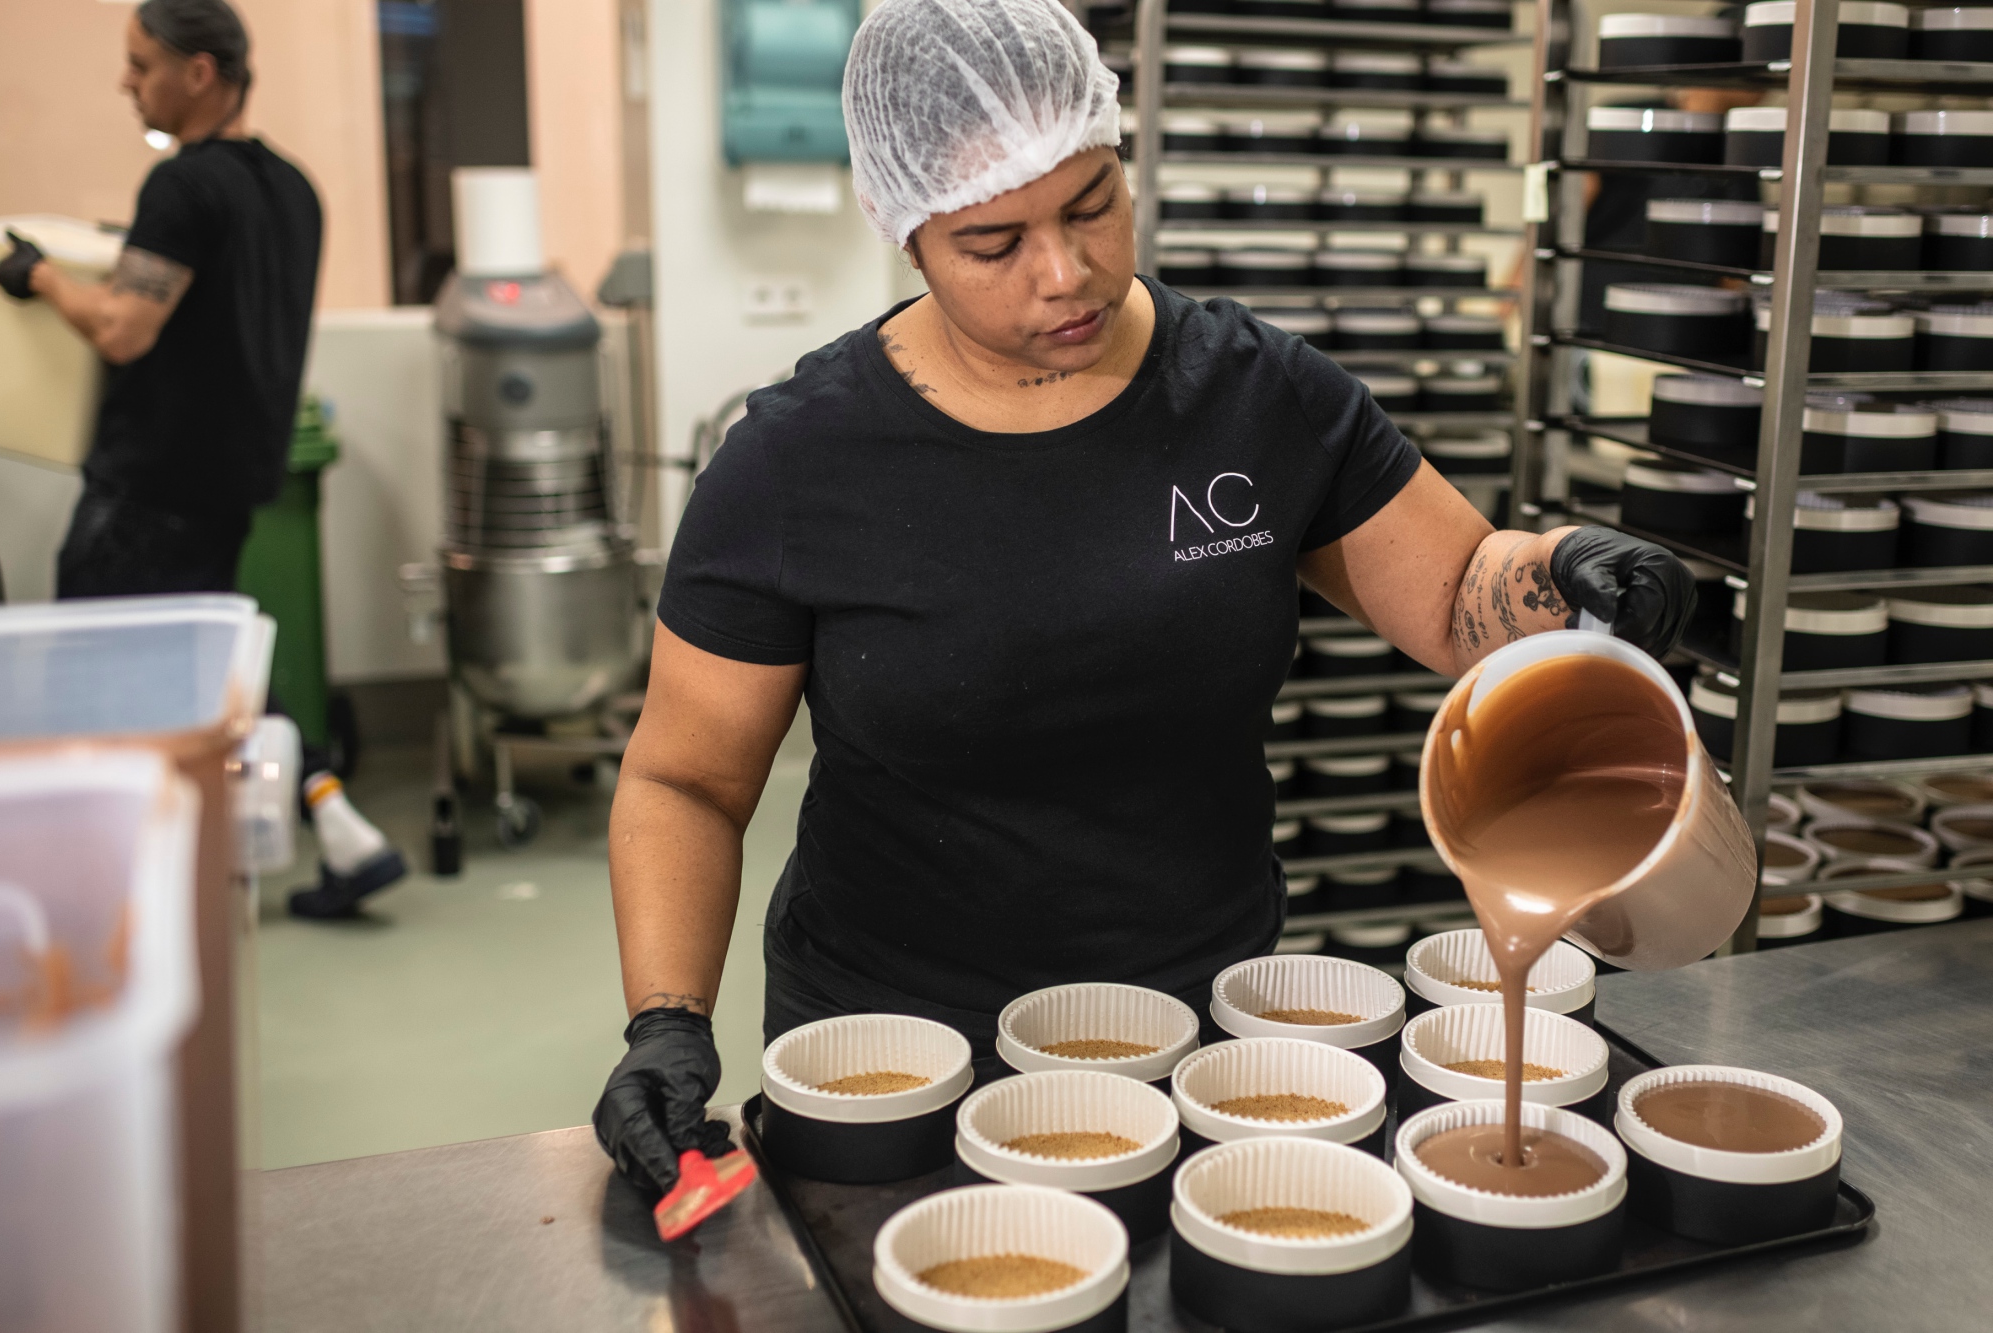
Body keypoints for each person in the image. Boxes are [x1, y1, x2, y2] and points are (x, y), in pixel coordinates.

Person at [591, 0, 1698, 1196]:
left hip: (1199, 1024)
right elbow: (686, 778)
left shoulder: (1251, 394)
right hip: (896, 1043)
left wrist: (1562, 571)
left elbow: (1452, 597)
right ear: (907, 234)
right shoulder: (798, 462)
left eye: (1090, 205)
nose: (1063, 274)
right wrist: (666, 1019)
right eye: (993, 243)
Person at [0, 0, 404, 919]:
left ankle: (107, 894)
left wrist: (39, 277)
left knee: (96, 692)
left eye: (141, 64)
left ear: (200, 72)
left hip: (147, 486)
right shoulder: (293, 190)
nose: (126, 81)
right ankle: (338, 823)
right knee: (212, 677)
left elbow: (123, 328)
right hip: (231, 481)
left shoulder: (181, 189)